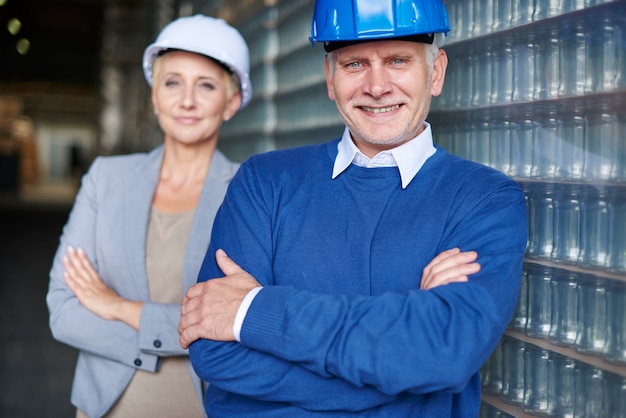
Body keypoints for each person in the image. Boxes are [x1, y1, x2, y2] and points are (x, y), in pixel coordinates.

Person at [178, 0, 528, 416]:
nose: (377, 87)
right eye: (355, 64)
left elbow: (444, 352)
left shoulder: (484, 200)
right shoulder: (265, 183)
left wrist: (255, 311)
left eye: (398, 60)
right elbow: (216, 355)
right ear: (330, 78)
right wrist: (408, 373)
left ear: (435, 73)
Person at [46, 14, 251, 418]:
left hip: (202, 406)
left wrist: (119, 307)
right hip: (103, 406)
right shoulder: (107, 179)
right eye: (172, 82)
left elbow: (245, 320)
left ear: (231, 103)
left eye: (206, 86)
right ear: (154, 96)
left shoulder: (251, 192)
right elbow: (64, 311)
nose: (186, 100)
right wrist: (167, 337)